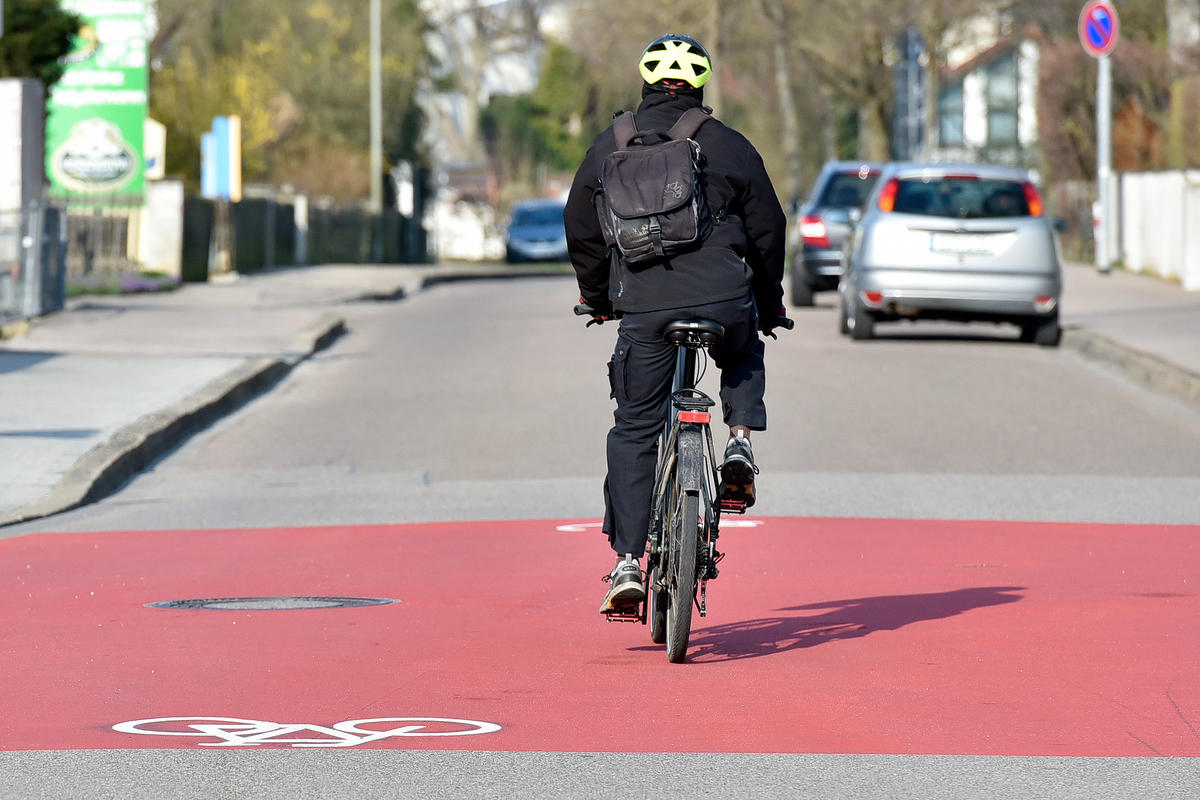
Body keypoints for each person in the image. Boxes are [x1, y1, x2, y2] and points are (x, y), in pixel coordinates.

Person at [564, 33, 788, 614]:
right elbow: (768, 228)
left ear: (643, 83)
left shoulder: (610, 143)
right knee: (744, 343)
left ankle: (625, 564)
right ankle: (738, 443)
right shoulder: (729, 145)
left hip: (643, 303)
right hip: (722, 298)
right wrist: (769, 302)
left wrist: (599, 297)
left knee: (635, 427)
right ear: (699, 85)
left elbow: (581, 226)